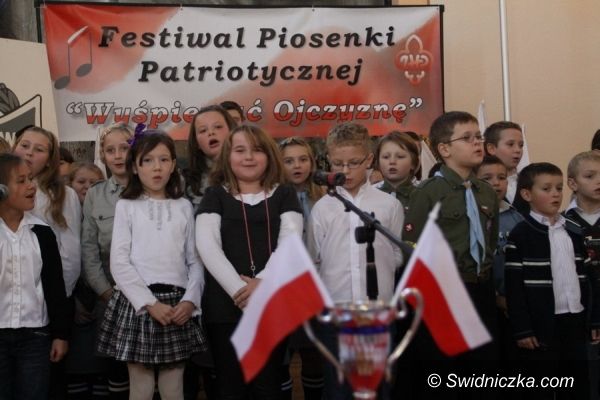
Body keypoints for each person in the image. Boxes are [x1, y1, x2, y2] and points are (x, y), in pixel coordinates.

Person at [96, 129, 206, 400]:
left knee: (174, 387)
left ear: (173, 165)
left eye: (164, 159)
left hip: (177, 304)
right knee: (141, 387)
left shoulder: (183, 206)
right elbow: (119, 262)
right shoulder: (126, 205)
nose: (157, 167)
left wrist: (190, 301)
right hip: (140, 305)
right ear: (135, 166)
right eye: (147, 160)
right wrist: (149, 303)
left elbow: (194, 261)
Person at [196, 124, 303, 399]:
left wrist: (262, 284)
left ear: (269, 155)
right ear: (227, 157)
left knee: (268, 386)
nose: (248, 157)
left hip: (271, 304)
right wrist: (242, 293)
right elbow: (207, 247)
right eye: (240, 150)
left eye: (257, 150)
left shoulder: (285, 194)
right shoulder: (214, 195)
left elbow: (290, 245)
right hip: (225, 308)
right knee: (230, 388)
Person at [403, 112, 498, 398]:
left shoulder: (486, 192)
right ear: (444, 149)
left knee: (481, 371)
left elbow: (490, 242)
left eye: (479, 136)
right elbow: (412, 247)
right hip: (442, 295)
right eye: (467, 138)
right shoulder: (428, 193)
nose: (477, 143)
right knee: (443, 373)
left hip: (480, 290)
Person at [307, 122, 403, 400]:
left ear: (369, 159)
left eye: (354, 163)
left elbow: (396, 254)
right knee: (338, 388)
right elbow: (315, 259)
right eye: (338, 164)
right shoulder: (322, 208)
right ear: (329, 160)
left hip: (379, 311)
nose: (346, 171)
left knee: (379, 387)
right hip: (336, 313)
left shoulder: (389, 204)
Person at [505, 162, 600, 399]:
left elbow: (589, 279)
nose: (555, 194)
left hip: (575, 318)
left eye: (558, 188)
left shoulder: (573, 230)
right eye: (546, 189)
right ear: (527, 194)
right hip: (542, 322)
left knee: (578, 381)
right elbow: (514, 288)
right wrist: (523, 329)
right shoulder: (521, 234)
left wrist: (594, 319)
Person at [0, 153, 70, 400]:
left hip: (35, 336)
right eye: (21, 181)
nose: (31, 186)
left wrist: (60, 334)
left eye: (30, 178)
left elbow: (55, 288)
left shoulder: (42, 232)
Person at [80, 123, 133, 399]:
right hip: (111, 297)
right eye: (110, 150)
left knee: (152, 372)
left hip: (152, 297)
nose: (118, 155)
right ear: (103, 155)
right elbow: (88, 249)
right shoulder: (95, 194)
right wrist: (105, 292)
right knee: (116, 369)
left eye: (125, 148)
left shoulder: (153, 186)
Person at [278, 136, 325, 400]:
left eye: (303, 159)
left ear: (312, 162)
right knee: (282, 357)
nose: (297, 166)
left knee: (313, 355)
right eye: (289, 161)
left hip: (317, 287)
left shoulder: (325, 197)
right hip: (283, 289)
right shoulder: (273, 197)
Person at [183, 105, 237, 213]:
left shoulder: (250, 171)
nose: (211, 133)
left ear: (232, 131)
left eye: (218, 127)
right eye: (203, 130)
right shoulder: (187, 182)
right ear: (196, 143)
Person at [373, 130, 420, 210]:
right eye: (386, 157)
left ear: (413, 163)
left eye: (400, 156)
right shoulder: (369, 194)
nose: (392, 161)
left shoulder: (423, 195)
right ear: (378, 162)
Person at [484, 121, 524, 204]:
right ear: (491, 148)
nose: (518, 150)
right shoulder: (481, 183)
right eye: (510, 144)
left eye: (521, 145)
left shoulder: (527, 182)